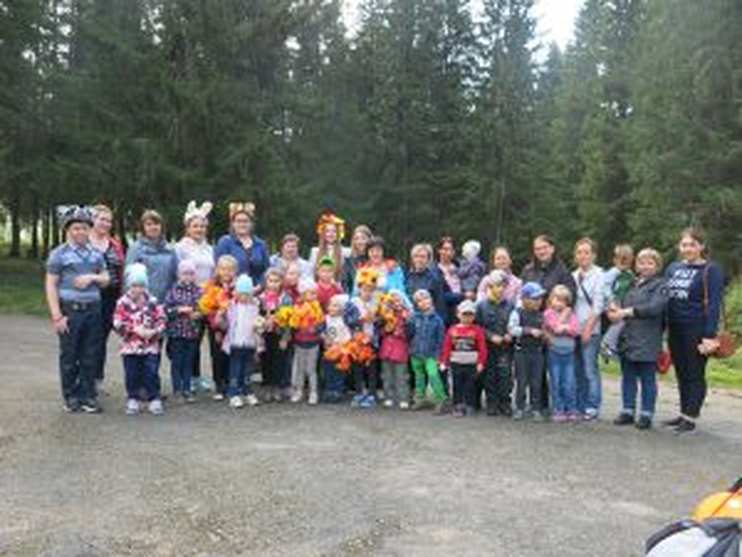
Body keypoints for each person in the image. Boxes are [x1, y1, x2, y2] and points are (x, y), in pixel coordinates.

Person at [45, 205, 110, 414]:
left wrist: (92, 277)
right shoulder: (59, 254)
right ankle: (70, 396)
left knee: (90, 354)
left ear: (89, 229)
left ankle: (88, 396)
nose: (80, 232)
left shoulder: (95, 254)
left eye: (83, 228)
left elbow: (106, 278)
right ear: (68, 230)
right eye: (75, 228)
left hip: (93, 310)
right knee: (70, 355)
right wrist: (57, 316)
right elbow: (51, 285)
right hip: (70, 311)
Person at [663, 227, 725, 434]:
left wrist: (708, 334)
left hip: (696, 329)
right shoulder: (673, 268)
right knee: (681, 372)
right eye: (684, 245)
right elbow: (665, 297)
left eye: (692, 244)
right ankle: (683, 413)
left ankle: (690, 417)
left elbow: (714, 304)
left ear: (701, 246)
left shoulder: (711, 270)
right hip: (675, 327)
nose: (687, 248)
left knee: (694, 373)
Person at [608, 248, 668, 430]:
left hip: (648, 338)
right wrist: (614, 309)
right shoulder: (631, 283)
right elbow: (619, 302)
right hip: (628, 337)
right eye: (641, 262)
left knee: (648, 378)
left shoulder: (661, 285)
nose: (645, 266)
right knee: (628, 376)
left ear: (657, 266)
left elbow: (655, 308)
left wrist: (628, 311)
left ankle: (646, 414)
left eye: (650, 263)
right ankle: (627, 410)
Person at [113, 264, 167, 416]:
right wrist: (134, 330)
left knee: (151, 372)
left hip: (150, 345)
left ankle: (154, 398)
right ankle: (133, 398)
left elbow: (162, 319)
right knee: (132, 373)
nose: (138, 289)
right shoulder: (122, 303)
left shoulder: (153, 301)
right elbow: (117, 322)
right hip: (130, 346)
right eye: (134, 285)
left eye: (141, 286)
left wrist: (154, 331)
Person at [174, 201, 215, 392]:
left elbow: (213, 272)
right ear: (188, 228)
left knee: (203, 338)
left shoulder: (209, 248)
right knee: (190, 339)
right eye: (195, 226)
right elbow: (177, 273)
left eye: (202, 226)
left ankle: (197, 377)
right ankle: (187, 377)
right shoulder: (180, 248)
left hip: (208, 298)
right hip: (189, 298)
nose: (199, 229)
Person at [88, 204, 126, 394]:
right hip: (89, 296)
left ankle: (96, 380)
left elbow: (121, 269)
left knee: (101, 338)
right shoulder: (84, 242)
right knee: (89, 338)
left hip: (111, 296)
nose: (105, 223)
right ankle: (84, 380)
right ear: (92, 220)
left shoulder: (115, 244)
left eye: (109, 221)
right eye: (102, 219)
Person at [572, 238, 605, 421]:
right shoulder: (573, 275)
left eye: (586, 252)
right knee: (577, 370)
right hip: (574, 330)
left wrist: (588, 329)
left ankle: (593, 405)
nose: (583, 256)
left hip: (591, 330)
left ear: (593, 255)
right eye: (579, 252)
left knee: (590, 369)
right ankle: (580, 404)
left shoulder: (600, 275)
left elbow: (598, 305)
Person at [475, 270, 515, 416]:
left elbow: (515, 323)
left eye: (502, 285)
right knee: (490, 376)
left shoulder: (511, 305)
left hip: (505, 347)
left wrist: (510, 334)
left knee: (505, 375)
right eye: (496, 285)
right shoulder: (481, 306)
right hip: (488, 347)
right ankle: (492, 402)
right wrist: (490, 336)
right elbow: (477, 327)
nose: (500, 289)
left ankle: (505, 402)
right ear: (489, 287)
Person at [199, 255, 238, 399]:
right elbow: (207, 307)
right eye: (223, 269)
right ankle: (219, 384)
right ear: (217, 270)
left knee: (232, 354)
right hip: (215, 325)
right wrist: (216, 326)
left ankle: (231, 382)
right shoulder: (212, 286)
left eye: (230, 269)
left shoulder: (238, 286)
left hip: (234, 325)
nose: (226, 272)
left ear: (235, 271)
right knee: (217, 354)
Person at [440, 300, 488, 418]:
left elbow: (482, 348)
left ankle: (470, 405)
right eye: (464, 314)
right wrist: (444, 362)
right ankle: (458, 405)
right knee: (457, 385)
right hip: (456, 362)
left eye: (470, 315)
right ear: (458, 314)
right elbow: (447, 347)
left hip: (471, 363)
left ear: (474, 316)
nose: (467, 317)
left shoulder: (477, 330)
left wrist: (481, 362)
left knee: (471, 385)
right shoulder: (452, 330)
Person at [164, 260, 203, 403]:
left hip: (192, 332)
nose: (188, 277)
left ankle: (187, 389)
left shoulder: (199, 291)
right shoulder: (173, 290)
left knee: (188, 362)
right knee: (177, 362)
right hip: (176, 332)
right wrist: (179, 310)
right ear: (179, 275)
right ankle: (177, 389)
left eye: (191, 274)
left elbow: (203, 308)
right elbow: (166, 310)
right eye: (185, 273)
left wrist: (199, 314)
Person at [222, 274, 263, 409]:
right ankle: (234, 393)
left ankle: (247, 390)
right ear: (237, 293)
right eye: (241, 294)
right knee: (235, 369)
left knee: (247, 369)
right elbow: (225, 322)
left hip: (250, 343)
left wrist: (260, 329)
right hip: (235, 343)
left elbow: (258, 323)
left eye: (247, 294)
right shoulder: (232, 306)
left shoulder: (255, 307)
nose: (244, 297)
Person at [508, 282, 548, 420]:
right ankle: (519, 407)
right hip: (522, 352)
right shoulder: (517, 313)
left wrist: (545, 334)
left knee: (536, 382)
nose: (538, 301)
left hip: (537, 352)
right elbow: (512, 329)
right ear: (524, 299)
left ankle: (536, 408)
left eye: (540, 298)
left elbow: (545, 330)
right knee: (522, 381)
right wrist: (528, 331)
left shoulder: (541, 314)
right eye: (534, 298)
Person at [543, 285, 580, 423]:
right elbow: (555, 328)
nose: (559, 303)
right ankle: (558, 409)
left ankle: (570, 408)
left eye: (563, 300)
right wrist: (564, 320)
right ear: (551, 299)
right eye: (557, 299)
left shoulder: (573, 315)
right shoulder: (548, 313)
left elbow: (576, 331)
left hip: (569, 353)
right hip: (554, 352)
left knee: (569, 383)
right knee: (556, 382)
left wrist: (565, 327)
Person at [408, 290, 448, 413]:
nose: (423, 302)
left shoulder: (437, 320)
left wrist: (439, 355)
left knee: (433, 375)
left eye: (426, 298)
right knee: (419, 377)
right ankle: (419, 399)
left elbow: (441, 339)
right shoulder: (414, 318)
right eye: (419, 301)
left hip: (431, 354)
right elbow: (410, 334)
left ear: (431, 300)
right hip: (416, 352)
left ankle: (441, 399)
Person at [347, 267, 382, 409]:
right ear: (359, 289)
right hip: (357, 342)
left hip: (372, 341)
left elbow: (382, 321)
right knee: (358, 369)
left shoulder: (377, 303)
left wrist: (376, 319)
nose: (368, 292)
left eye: (371, 290)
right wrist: (360, 319)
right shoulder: (353, 302)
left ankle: (372, 394)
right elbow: (347, 320)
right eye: (365, 289)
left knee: (372, 369)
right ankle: (359, 393)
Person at [125, 210, 178, 303]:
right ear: (143, 228)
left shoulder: (170, 249)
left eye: (156, 224)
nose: (153, 227)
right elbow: (128, 278)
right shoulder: (136, 248)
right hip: (143, 302)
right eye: (149, 224)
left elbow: (176, 276)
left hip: (167, 301)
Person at [214, 203, 270, 285]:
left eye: (245, 221)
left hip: (258, 289)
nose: (242, 224)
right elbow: (219, 269)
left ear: (251, 223)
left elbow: (267, 270)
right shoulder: (225, 242)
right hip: (231, 288)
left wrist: (260, 286)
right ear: (233, 224)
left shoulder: (260, 244)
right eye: (238, 221)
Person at [289, 277, 325, 405]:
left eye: (315, 293)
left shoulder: (317, 307)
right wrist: (297, 325)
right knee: (300, 368)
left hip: (313, 342)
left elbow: (321, 323)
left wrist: (316, 329)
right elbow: (293, 323)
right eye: (311, 293)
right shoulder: (298, 307)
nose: (314, 295)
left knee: (311, 369)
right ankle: (299, 390)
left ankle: (313, 392)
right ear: (303, 294)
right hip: (300, 341)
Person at [259, 267, 291, 403]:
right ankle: (267, 386)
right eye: (270, 281)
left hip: (279, 334)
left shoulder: (286, 299)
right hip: (265, 335)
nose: (273, 284)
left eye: (276, 281)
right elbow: (256, 317)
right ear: (266, 282)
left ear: (281, 282)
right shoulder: (261, 298)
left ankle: (278, 387)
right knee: (266, 361)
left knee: (279, 360)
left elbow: (289, 321)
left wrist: (285, 337)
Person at [378, 290, 412, 410]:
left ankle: (403, 398)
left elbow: (410, 334)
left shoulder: (407, 316)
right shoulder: (385, 315)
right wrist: (386, 330)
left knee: (401, 376)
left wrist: (401, 332)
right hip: (386, 349)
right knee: (387, 376)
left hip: (400, 350)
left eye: (398, 300)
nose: (396, 303)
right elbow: (380, 331)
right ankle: (389, 397)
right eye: (393, 301)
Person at [601, 244, 635, 359]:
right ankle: (607, 343)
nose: (624, 263)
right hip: (613, 300)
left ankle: (613, 344)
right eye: (621, 259)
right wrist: (611, 302)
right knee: (619, 321)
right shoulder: (613, 273)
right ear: (615, 260)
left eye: (627, 260)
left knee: (624, 323)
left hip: (624, 302)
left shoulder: (629, 274)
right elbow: (605, 287)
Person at [321, 294, 353, 403]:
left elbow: (348, 336)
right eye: (330, 305)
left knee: (339, 371)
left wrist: (341, 345)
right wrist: (324, 338)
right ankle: (329, 390)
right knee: (328, 371)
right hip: (328, 349)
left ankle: (337, 391)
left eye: (335, 306)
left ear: (341, 309)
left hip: (340, 350)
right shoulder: (326, 319)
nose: (331, 308)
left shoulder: (343, 320)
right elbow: (321, 330)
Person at [405, 243, 446, 320]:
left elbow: (440, 304)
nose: (419, 260)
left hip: (428, 320)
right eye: (416, 256)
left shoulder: (434, 278)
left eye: (422, 257)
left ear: (428, 260)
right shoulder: (407, 276)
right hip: (410, 319)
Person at [309, 210, 351, 278]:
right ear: (323, 234)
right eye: (327, 231)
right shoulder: (315, 251)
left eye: (334, 231)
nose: (331, 234)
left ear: (338, 234)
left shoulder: (346, 252)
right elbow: (311, 274)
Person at [437, 236, 463, 326]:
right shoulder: (434, 270)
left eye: (450, 249)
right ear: (439, 250)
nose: (447, 252)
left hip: (461, 310)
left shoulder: (460, 267)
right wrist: (463, 296)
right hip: (445, 311)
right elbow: (440, 294)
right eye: (445, 249)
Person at [342, 225, 372, 293]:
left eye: (363, 238)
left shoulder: (374, 259)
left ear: (369, 240)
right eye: (356, 239)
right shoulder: (348, 262)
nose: (360, 242)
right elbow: (345, 284)